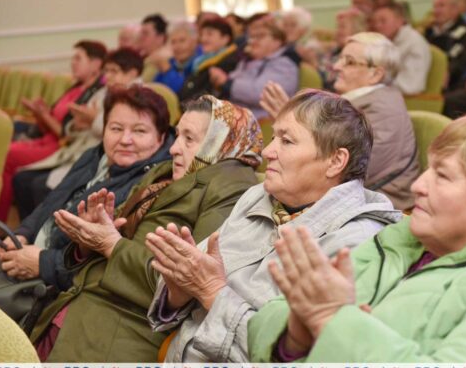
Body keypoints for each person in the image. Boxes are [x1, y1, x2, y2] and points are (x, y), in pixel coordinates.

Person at [248, 113, 466, 363]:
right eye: (427, 169)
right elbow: (271, 315)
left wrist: (330, 320)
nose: (417, 186)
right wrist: (298, 333)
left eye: (442, 176)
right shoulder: (404, 239)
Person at [145, 89, 403, 362]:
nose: (267, 151)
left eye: (287, 141)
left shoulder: (357, 243)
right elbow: (186, 294)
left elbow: (292, 356)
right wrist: (179, 286)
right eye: (273, 138)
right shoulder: (258, 195)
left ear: (335, 161)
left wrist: (211, 292)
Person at [28, 95, 262, 362]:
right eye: (177, 136)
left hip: (120, 327)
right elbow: (114, 236)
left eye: (189, 139)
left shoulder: (230, 187)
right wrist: (89, 239)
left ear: (220, 143)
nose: (174, 148)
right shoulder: (165, 173)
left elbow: (184, 283)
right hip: (74, 302)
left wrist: (110, 244)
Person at [0, 86, 173, 291]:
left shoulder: (152, 186)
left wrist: (43, 263)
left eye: (139, 131)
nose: (125, 140)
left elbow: (105, 266)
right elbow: (52, 201)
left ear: (160, 138)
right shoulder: (96, 155)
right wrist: (22, 234)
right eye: (116, 128)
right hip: (31, 255)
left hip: (58, 286)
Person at [260, 33, 419, 210]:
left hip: (376, 207)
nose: (336, 66)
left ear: (375, 74)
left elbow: (348, 170)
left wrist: (296, 125)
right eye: (339, 59)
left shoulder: (385, 111)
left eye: (349, 62)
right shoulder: (360, 102)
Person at [13, 48, 145, 219]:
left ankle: (44, 236)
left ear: (132, 73)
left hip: (98, 156)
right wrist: (76, 124)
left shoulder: (139, 97)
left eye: (114, 71)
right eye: (107, 71)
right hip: (76, 149)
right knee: (21, 179)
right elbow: (72, 128)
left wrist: (92, 121)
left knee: (39, 185)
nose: (108, 77)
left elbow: (121, 132)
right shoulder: (103, 92)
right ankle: (26, 234)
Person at [0, 40, 106, 221]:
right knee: (6, 149)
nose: (73, 62)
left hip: (60, 147)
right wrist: (40, 113)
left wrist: (43, 115)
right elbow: (52, 125)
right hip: (47, 139)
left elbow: (66, 134)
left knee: (7, 155)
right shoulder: (76, 87)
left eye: (78, 58)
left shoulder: (95, 94)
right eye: (73, 58)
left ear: (95, 64)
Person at [209, 15, 299, 119]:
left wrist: (226, 82)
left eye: (260, 36)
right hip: (236, 120)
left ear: (277, 41)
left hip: (263, 124)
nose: (253, 41)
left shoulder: (284, 64)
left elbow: (261, 93)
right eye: (252, 37)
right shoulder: (248, 61)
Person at [371, 3, 431, 95]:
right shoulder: (387, 41)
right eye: (375, 22)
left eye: (383, 21)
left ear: (400, 21)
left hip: (406, 101)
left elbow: (411, 86)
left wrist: (373, 82)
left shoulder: (414, 43)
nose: (378, 26)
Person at [178, 17, 238, 103]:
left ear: (225, 38)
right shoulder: (202, 60)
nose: (203, 39)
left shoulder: (228, 62)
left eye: (209, 34)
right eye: (202, 35)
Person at [154, 21, 202, 94]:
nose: (177, 47)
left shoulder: (202, 63)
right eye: (173, 42)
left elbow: (185, 92)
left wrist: (168, 71)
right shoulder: (170, 63)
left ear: (194, 42)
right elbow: (154, 91)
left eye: (182, 41)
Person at [425, 0, 466, 65]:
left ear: (454, 9)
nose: (436, 11)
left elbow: (457, 62)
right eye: (435, 7)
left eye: (441, 6)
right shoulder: (429, 30)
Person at [138, 14, 171, 82]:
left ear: (160, 38)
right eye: (141, 33)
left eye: (145, 33)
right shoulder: (143, 56)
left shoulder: (163, 58)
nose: (140, 37)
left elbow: (144, 83)